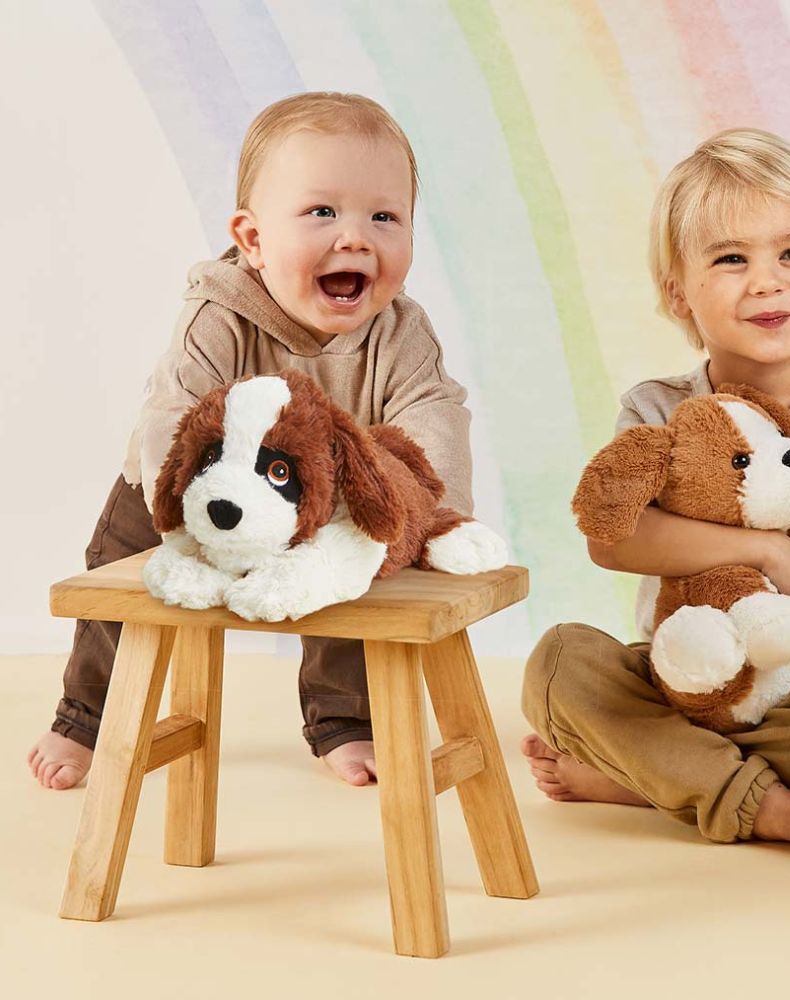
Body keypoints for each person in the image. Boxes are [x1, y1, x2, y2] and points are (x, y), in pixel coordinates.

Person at [28, 91, 473, 791]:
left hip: (311, 500)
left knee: (359, 564)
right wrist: (183, 514)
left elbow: (433, 414)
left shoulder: (400, 333)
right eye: (322, 212)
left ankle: (344, 719)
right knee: (119, 583)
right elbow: (173, 413)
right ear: (253, 239)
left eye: (384, 217)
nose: (356, 238)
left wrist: (433, 515)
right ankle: (86, 716)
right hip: (183, 492)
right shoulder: (220, 312)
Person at [521, 128, 790, 867]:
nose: (767, 282)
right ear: (678, 292)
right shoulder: (655, 408)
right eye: (731, 259)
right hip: (692, 681)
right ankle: (772, 807)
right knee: (560, 667)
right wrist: (766, 548)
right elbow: (612, 536)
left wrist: (785, 517)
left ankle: (659, 777)